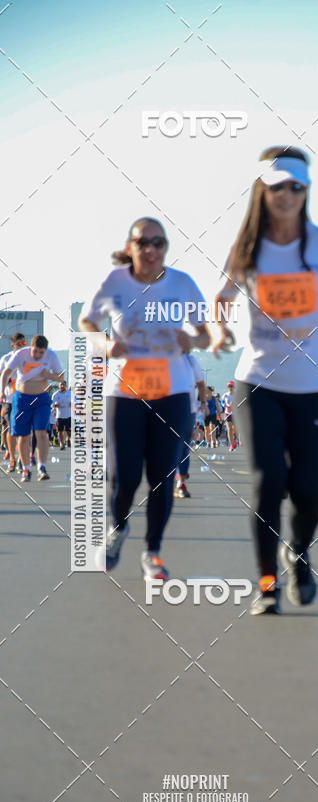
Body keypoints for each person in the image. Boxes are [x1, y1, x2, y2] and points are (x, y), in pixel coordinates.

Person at [213, 146, 318, 614]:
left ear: (306, 191)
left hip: (314, 384)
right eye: (277, 187)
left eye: (296, 187)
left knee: (308, 492)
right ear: (263, 190)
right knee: (267, 482)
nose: (287, 195)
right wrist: (219, 330)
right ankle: (267, 585)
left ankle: (297, 551)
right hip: (257, 383)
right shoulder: (247, 248)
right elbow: (221, 297)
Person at [79, 216, 210, 581]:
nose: (151, 250)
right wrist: (105, 343)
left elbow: (205, 333)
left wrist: (193, 341)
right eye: (143, 242)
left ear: (166, 247)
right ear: (130, 247)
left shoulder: (182, 284)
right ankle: (118, 528)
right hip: (126, 392)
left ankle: (152, 552)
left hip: (172, 391)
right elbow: (87, 322)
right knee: (124, 476)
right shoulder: (114, 282)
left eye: (159, 243)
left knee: (162, 476)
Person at [0, 335, 64, 481]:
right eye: (35, 351)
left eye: (41, 353)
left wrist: (49, 375)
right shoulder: (21, 354)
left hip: (41, 398)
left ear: (45, 351)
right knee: (23, 435)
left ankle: (42, 467)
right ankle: (26, 469)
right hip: (22, 398)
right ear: (31, 347)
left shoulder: (51, 356)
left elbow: (61, 377)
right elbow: (6, 372)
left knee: (41, 432)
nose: (37, 355)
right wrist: (2, 391)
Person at [174, 353, 205, 499]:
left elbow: (201, 384)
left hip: (189, 410)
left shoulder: (190, 360)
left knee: (184, 445)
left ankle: (181, 482)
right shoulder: (160, 356)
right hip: (165, 409)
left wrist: (203, 403)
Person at [0, 332, 26, 472]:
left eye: (24, 343)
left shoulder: (29, 358)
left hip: (25, 398)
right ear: (13, 345)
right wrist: (3, 391)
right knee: (11, 428)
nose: (23, 345)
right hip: (10, 399)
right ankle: (12, 458)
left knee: (24, 431)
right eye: (20, 343)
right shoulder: (6, 359)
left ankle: (22, 460)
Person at [52, 379, 72, 449]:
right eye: (61, 384)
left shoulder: (70, 393)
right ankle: (61, 443)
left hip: (68, 415)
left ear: (65, 386)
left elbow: (75, 402)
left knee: (69, 431)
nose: (62, 386)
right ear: (59, 386)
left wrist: (72, 404)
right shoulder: (55, 395)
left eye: (63, 384)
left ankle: (68, 439)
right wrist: (55, 405)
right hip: (59, 416)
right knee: (60, 431)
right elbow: (52, 405)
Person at [221, 381, 238, 451]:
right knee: (229, 429)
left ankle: (234, 441)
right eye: (229, 386)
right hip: (227, 413)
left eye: (231, 386)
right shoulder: (225, 395)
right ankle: (231, 445)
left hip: (236, 414)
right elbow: (222, 402)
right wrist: (224, 405)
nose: (230, 388)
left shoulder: (236, 395)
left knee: (235, 430)